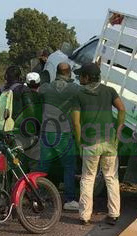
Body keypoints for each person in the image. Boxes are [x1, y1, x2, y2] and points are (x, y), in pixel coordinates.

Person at [71, 63, 125, 225]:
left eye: (81, 75)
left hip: (90, 143)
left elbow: (76, 123)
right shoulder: (109, 91)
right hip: (109, 142)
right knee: (111, 177)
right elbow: (122, 109)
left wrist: (80, 143)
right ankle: (114, 214)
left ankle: (85, 216)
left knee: (88, 178)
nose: (79, 77)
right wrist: (118, 132)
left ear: (87, 78)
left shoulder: (79, 96)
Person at [38, 62, 81, 211]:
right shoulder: (74, 89)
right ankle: (69, 200)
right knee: (69, 166)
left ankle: (37, 196)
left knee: (43, 165)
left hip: (47, 131)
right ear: (69, 73)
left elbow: (38, 91)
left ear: (56, 72)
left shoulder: (46, 88)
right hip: (64, 132)